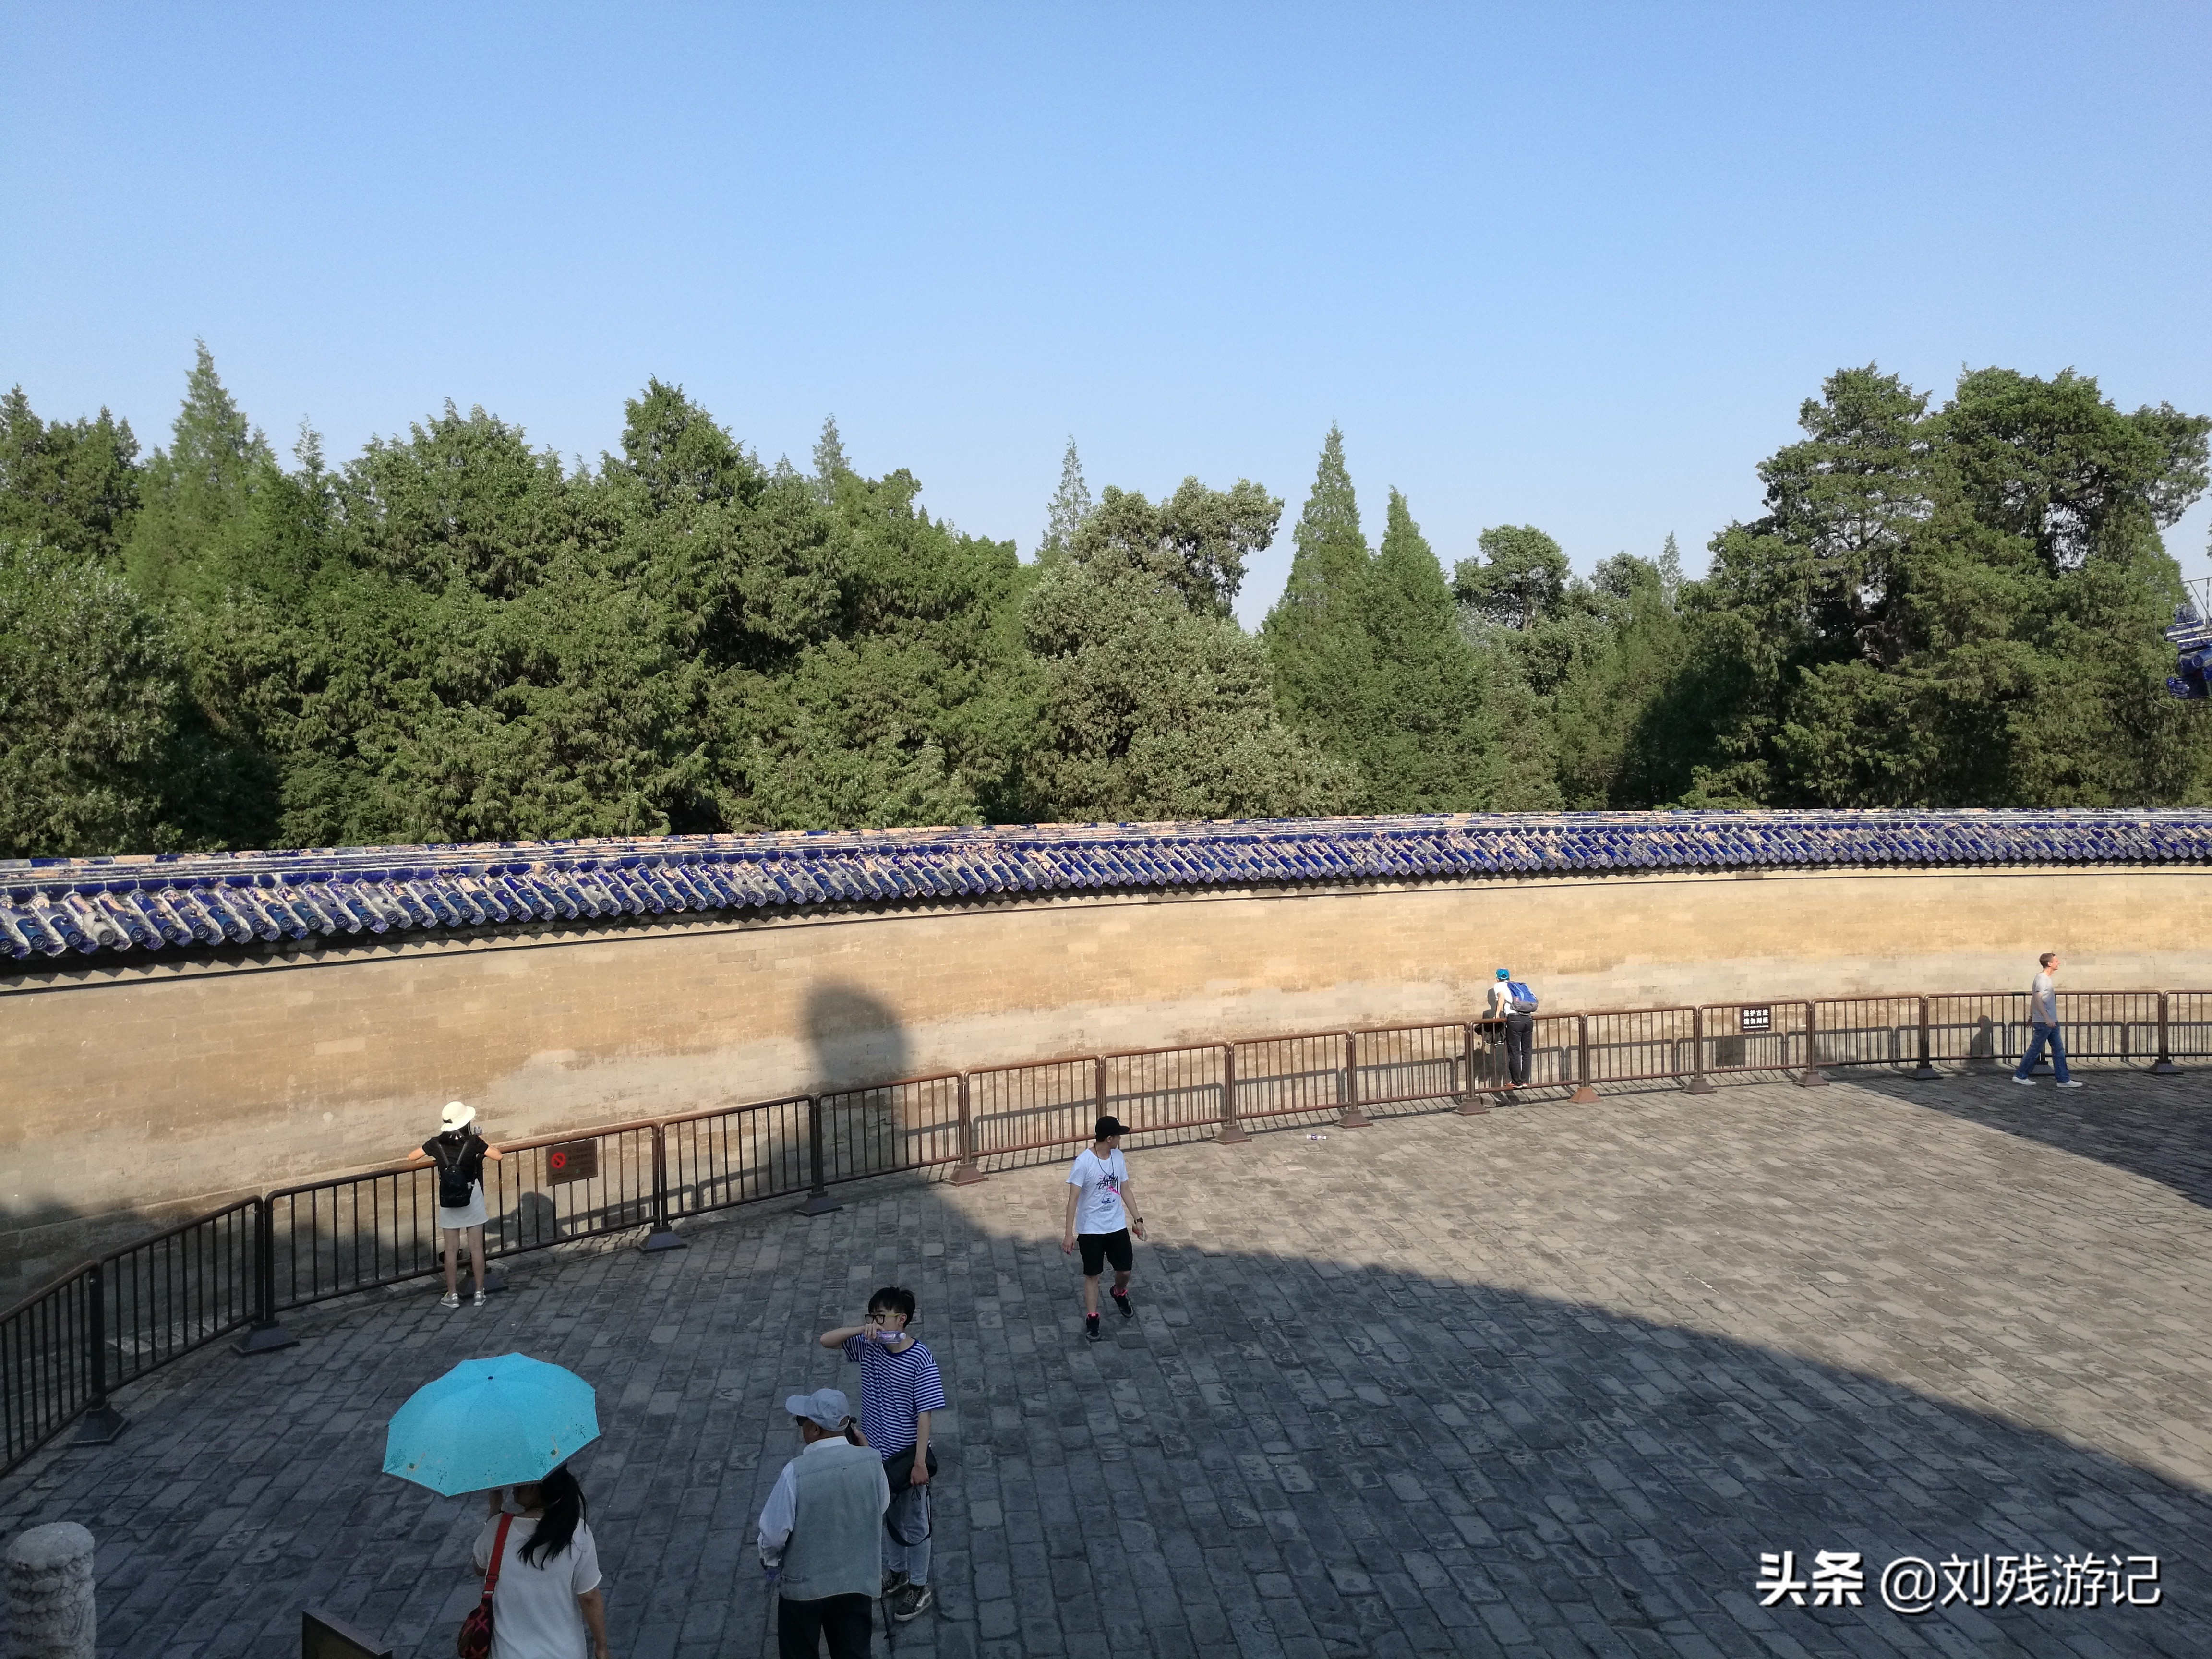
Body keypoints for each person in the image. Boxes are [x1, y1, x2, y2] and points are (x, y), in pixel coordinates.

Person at [817, 1289, 945, 1622]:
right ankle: (897, 1573)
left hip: (906, 1459)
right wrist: (862, 1331)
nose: (873, 1323)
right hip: (875, 1457)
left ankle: (920, 1585)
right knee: (888, 1519)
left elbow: (925, 1415)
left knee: (916, 1525)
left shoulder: (921, 1358)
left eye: (880, 1317)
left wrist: (920, 1463)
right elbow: (826, 1340)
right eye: (870, 1316)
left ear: (901, 1320)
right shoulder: (869, 1346)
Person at [757, 1387, 891, 1659]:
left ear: (815, 1430)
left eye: (801, 1422)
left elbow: (773, 1535)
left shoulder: (795, 1472)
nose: (800, 1427)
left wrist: (770, 1563)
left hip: (804, 1589)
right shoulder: (873, 1462)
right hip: (855, 1583)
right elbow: (882, 1504)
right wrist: (866, 1455)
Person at [473, 1466, 608, 1659]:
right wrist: (601, 1647)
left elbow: (480, 1567)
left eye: (523, 1480)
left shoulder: (498, 1529)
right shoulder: (577, 1532)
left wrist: (494, 1511)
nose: (515, 1485)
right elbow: (589, 1596)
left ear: (536, 1488)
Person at [402, 1100, 504, 1308]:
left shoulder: (436, 1143)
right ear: (465, 1121)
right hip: (472, 1195)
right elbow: (498, 1155)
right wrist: (481, 1140)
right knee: (476, 1248)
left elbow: (412, 1157)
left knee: (450, 1249)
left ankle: (453, 1295)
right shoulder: (473, 1142)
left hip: (449, 1199)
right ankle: (479, 1293)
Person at [1062, 1115, 1146, 1344]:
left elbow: (1125, 1187)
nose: (1120, 1139)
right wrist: (1070, 1233)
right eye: (1118, 1135)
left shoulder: (1118, 1157)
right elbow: (1073, 1200)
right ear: (1109, 1138)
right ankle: (1093, 1318)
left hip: (1116, 1225)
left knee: (1125, 1271)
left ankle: (1119, 1292)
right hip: (1091, 1229)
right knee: (1093, 1275)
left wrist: (1137, 1218)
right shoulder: (1084, 1163)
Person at [2012, 952, 2085, 1090]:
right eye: (2056, 961)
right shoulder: (2043, 979)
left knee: (2058, 1050)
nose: (2059, 963)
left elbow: (2035, 999)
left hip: (2050, 1021)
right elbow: (2038, 998)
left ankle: (2063, 1080)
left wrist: (2032, 1017)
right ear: (2049, 964)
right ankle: (2020, 1075)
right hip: (2046, 1023)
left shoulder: (2044, 979)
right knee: (2036, 1049)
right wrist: (2046, 1019)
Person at [1487, 968, 1537, 1091]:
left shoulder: (1499, 985)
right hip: (1528, 1019)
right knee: (1527, 1051)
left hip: (1515, 1020)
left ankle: (1516, 1081)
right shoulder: (1517, 985)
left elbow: (1501, 997)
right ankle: (1525, 1080)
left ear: (1497, 978)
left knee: (1514, 1052)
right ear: (1509, 977)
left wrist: (1497, 1014)